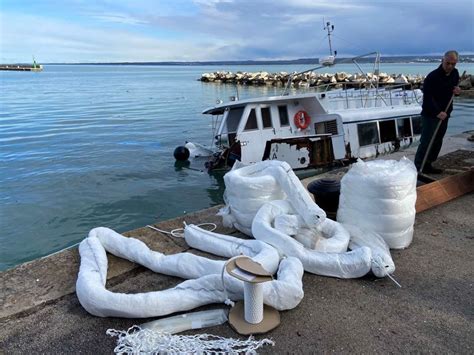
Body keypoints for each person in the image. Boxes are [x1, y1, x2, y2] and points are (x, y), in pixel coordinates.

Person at [414, 50, 461, 173]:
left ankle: (428, 164)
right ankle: (418, 167)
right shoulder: (432, 77)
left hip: (445, 114)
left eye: (453, 64)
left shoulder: (455, 74)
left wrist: (457, 91)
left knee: (437, 141)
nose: (450, 66)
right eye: (448, 63)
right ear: (442, 60)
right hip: (430, 115)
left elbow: (453, 90)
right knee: (426, 141)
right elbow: (428, 98)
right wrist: (437, 112)